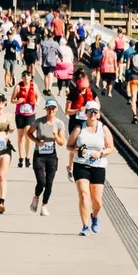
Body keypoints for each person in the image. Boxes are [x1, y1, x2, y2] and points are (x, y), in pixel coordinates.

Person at [68, 101, 115, 235]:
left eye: (95, 112)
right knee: (84, 195)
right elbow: (69, 146)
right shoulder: (79, 128)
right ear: (86, 113)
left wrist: (100, 153)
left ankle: (94, 216)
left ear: (98, 114)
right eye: (90, 112)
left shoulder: (103, 129)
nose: (92, 114)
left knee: (98, 201)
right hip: (81, 165)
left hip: (98, 166)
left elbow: (111, 147)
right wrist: (78, 151)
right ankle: (85, 226)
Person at [26, 97, 65, 215]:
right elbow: (29, 133)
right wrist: (37, 141)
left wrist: (55, 135)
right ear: (46, 109)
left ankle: (44, 205)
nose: (51, 110)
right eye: (49, 108)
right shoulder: (39, 121)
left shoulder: (59, 123)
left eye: (53, 108)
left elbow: (62, 142)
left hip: (51, 155)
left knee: (49, 182)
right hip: (39, 155)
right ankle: (36, 197)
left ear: (56, 110)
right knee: (41, 181)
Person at [11, 76, 39, 167]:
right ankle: (21, 158)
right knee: (20, 137)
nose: (26, 79)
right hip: (20, 114)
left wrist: (37, 103)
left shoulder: (34, 86)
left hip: (30, 115)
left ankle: (27, 158)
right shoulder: (18, 87)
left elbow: (37, 96)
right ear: (22, 78)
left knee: (27, 134)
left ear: (30, 78)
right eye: (24, 77)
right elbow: (12, 100)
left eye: (28, 77)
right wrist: (18, 101)